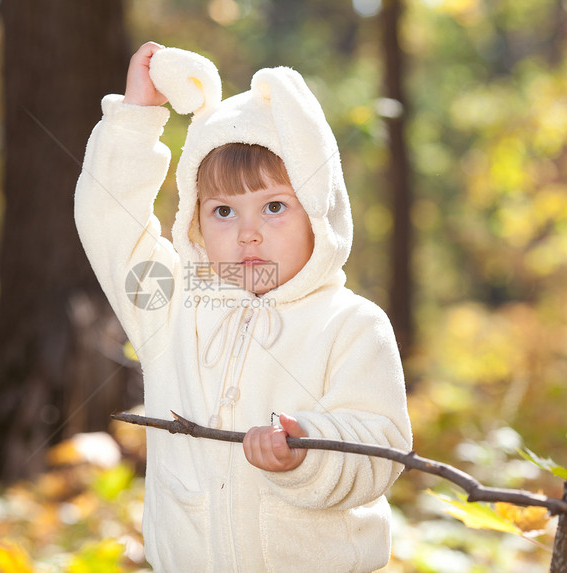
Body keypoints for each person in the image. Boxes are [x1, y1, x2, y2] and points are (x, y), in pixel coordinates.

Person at [74, 42, 412, 573]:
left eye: (274, 206)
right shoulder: (174, 307)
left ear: (318, 213)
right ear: (196, 221)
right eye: (224, 211)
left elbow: (382, 446)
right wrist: (136, 118)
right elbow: (108, 221)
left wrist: (305, 452)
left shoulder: (351, 325)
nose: (248, 233)